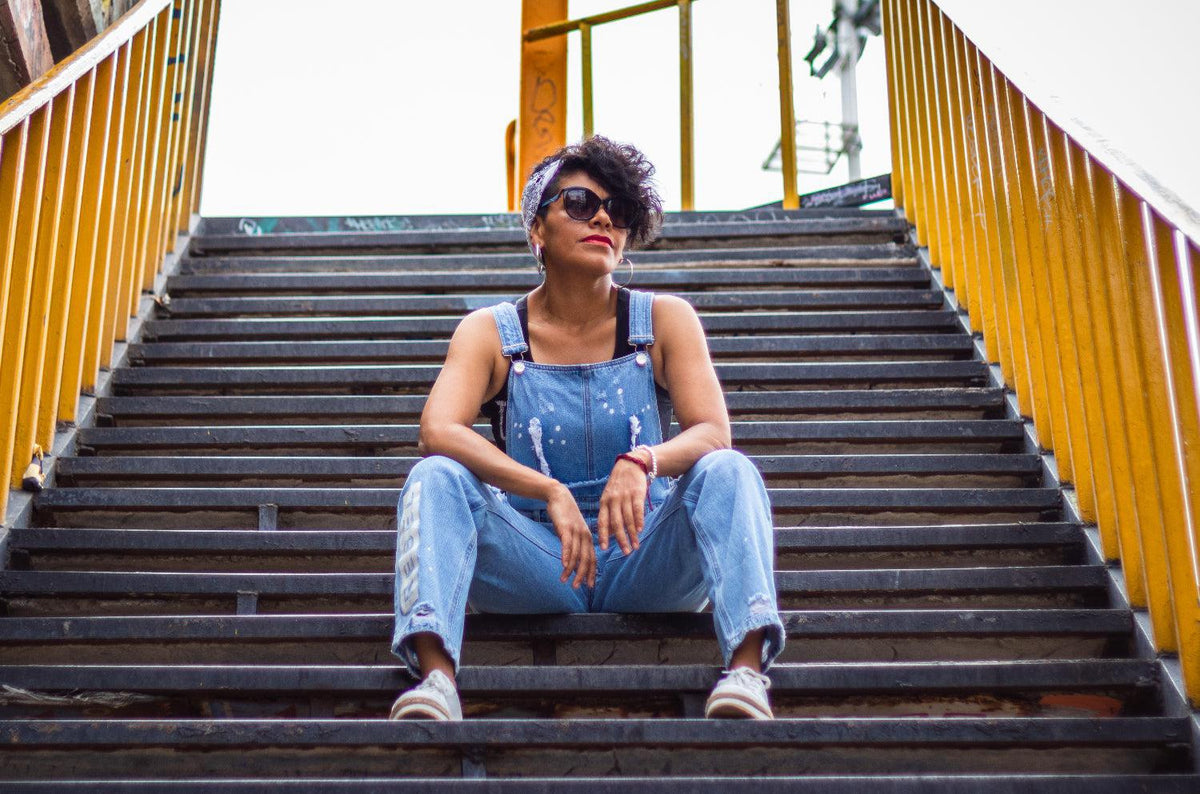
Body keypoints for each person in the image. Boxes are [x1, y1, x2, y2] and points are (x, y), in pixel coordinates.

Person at [388, 136, 785, 721]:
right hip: (537, 558)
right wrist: (546, 490)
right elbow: (438, 428)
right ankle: (437, 680)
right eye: (579, 203)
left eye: (617, 210)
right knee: (435, 476)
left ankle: (747, 672)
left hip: (644, 555)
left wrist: (643, 460)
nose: (602, 218)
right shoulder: (491, 332)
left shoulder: (664, 320)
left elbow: (712, 432)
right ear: (537, 228)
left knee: (729, 469)